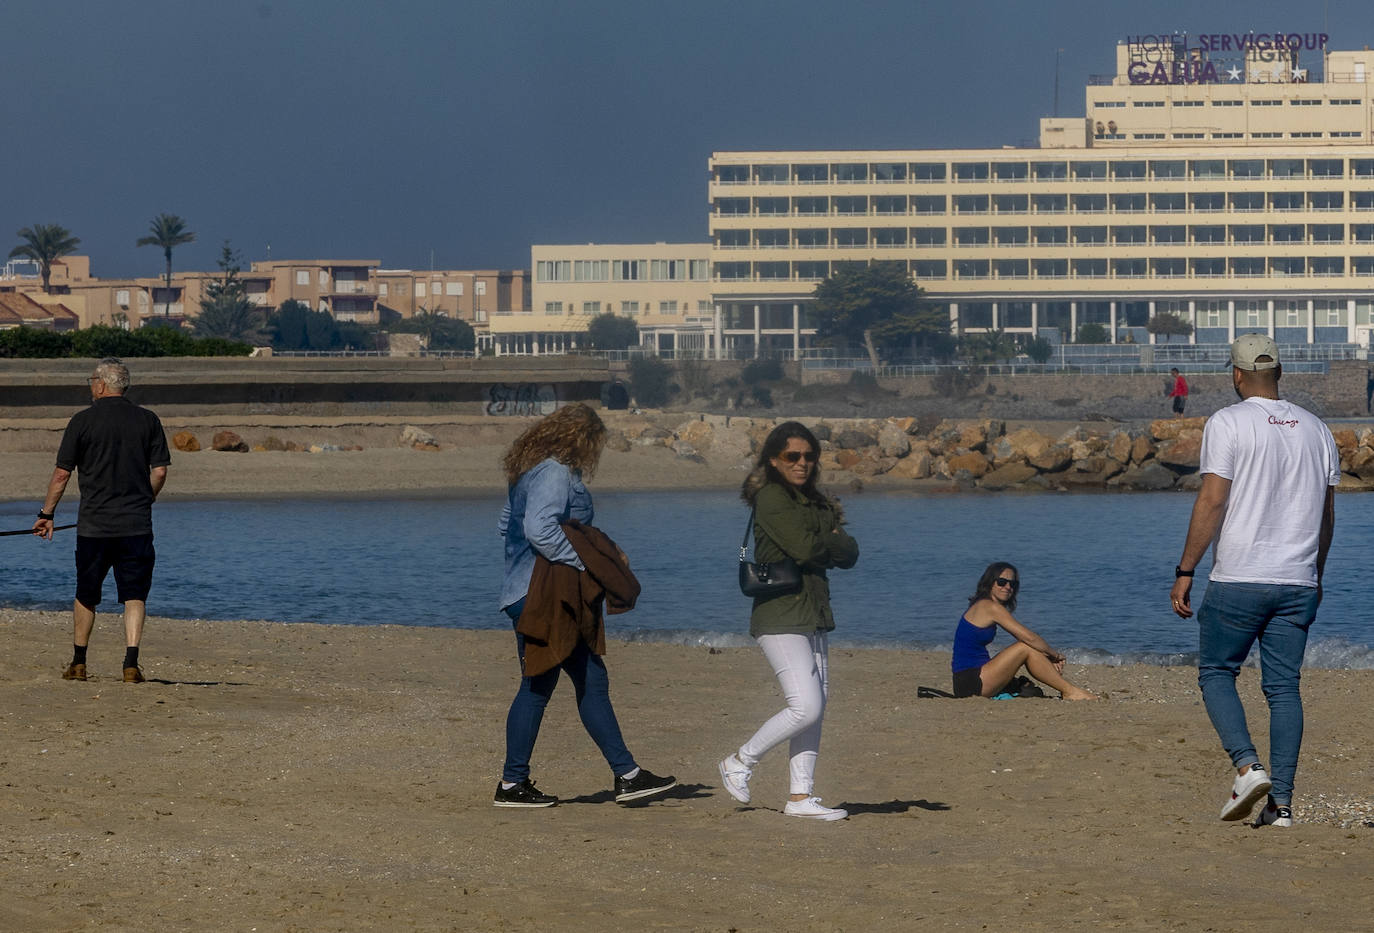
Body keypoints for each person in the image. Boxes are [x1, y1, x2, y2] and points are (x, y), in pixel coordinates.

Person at [1170, 334, 1339, 828]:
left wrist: (1185, 570)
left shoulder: (1228, 421)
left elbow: (1212, 500)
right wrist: (1317, 574)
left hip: (1240, 576)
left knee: (1216, 671)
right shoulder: (1318, 429)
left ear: (1237, 375)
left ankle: (1248, 768)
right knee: (1284, 688)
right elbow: (1327, 515)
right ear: (1280, 373)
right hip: (1298, 580)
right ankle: (1280, 806)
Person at [493, 403, 675, 808]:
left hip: (524, 592)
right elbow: (538, 529)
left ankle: (623, 774)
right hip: (544, 595)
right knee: (554, 684)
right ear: (581, 439)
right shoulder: (554, 472)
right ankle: (518, 783)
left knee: (570, 681)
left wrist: (528, 565)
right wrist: (585, 562)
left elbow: (506, 525)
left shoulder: (527, 470)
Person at [718, 422, 859, 821]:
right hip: (779, 615)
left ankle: (800, 797)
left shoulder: (817, 500)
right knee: (806, 707)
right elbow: (806, 548)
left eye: (809, 456)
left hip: (814, 612)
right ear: (774, 460)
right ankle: (740, 761)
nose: (802, 463)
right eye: (792, 456)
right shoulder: (771, 498)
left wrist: (824, 541)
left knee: (817, 708)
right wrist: (827, 538)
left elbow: (849, 553)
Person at [32, 358, 170, 683]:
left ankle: (79, 662)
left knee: (86, 593)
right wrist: (146, 499)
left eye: (92, 380)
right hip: (136, 525)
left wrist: (46, 514)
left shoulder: (82, 421)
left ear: (102, 384)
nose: (91, 385)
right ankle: (131, 663)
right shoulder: (148, 420)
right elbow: (160, 471)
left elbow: (62, 474)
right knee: (134, 595)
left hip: (94, 526)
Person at [951, 562, 1097, 701]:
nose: (1007, 587)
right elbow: (1029, 637)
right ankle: (1069, 691)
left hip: (973, 677)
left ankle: (1069, 690)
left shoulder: (983, 605)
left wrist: (1046, 655)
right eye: (1002, 582)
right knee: (1025, 646)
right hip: (971, 681)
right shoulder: (989, 606)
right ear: (989, 582)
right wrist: (1055, 655)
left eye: (1012, 584)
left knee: (1028, 650)